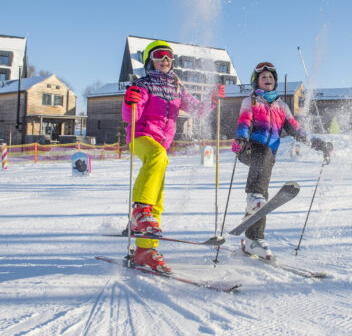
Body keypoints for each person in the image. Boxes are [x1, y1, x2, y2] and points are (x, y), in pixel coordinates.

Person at [122, 40, 225, 272]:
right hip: (141, 137)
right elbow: (130, 116)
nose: (165, 60)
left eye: (169, 57)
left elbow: (198, 110)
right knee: (157, 156)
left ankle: (144, 250)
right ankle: (139, 211)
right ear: (150, 60)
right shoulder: (143, 85)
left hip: (161, 144)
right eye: (159, 55)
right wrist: (131, 102)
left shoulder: (178, 88)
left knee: (157, 196)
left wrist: (211, 100)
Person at [231, 62, 332, 259]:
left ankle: (253, 240)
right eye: (263, 77)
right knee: (260, 183)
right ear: (256, 82)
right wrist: (241, 140)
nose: (268, 79)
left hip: (267, 156)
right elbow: (244, 123)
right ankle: (253, 198)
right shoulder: (250, 101)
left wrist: (318, 144)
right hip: (249, 148)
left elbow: (297, 130)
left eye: (270, 77)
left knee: (263, 194)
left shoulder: (282, 107)